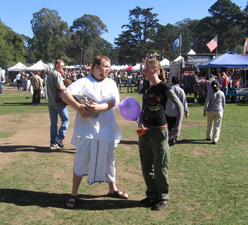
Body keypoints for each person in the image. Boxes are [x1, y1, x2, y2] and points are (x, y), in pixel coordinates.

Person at [61, 55, 128, 209]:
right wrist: (79, 107)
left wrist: (99, 107)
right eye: (105, 66)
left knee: (109, 160)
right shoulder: (83, 82)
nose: (108, 70)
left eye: (109, 67)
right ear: (96, 66)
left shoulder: (111, 83)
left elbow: (113, 102)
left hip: (106, 128)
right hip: (86, 130)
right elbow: (65, 94)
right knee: (81, 159)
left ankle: (113, 189)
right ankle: (74, 194)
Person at [138, 59, 183, 211]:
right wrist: (141, 121)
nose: (143, 72)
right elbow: (144, 107)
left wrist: (177, 127)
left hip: (159, 130)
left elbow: (179, 105)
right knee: (146, 165)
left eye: (146, 70)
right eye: (143, 70)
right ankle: (151, 195)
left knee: (160, 165)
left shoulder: (163, 86)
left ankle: (163, 197)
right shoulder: (145, 86)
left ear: (155, 71)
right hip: (144, 131)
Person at [46, 59, 70, 150]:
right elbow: (60, 87)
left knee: (53, 124)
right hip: (58, 102)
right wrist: (68, 88)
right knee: (66, 120)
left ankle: (53, 143)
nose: (63, 67)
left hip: (50, 102)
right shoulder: (57, 74)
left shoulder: (50, 74)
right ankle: (59, 138)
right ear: (56, 65)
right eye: (61, 65)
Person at [165, 76, 189, 146]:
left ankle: (170, 137)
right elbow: (184, 101)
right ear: (179, 82)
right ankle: (174, 138)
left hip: (168, 111)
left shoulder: (168, 89)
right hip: (177, 112)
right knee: (176, 125)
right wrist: (186, 111)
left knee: (169, 125)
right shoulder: (181, 91)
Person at [203, 80, 226, 144]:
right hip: (219, 110)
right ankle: (215, 139)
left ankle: (208, 136)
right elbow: (224, 103)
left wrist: (205, 110)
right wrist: (222, 109)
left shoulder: (210, 93)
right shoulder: (221, 93)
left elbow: (207, 102)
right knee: (217, 126)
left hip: (210, 110)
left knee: (209, 124)